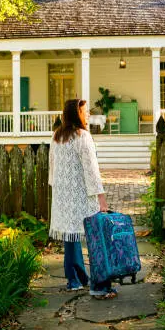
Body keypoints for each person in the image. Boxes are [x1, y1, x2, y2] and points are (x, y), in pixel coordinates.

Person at [49, 98, 117, 299]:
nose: (87, 114)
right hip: (82, 195)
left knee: (71, 237)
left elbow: (52, 170)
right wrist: (101, 199)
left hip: (62, 196)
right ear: (75, 114)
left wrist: (59, 191)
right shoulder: (83, 136)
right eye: (84, 111)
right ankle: (100, 284)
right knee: (95, 239)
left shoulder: (56, 137)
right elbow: (92, 171)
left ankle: (75, 280)